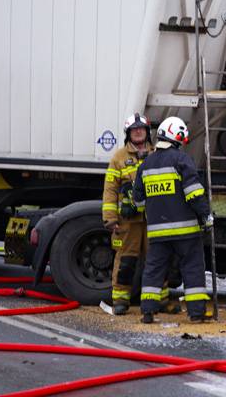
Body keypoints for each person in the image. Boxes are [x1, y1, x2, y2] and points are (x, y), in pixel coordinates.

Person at [134, 116, 213, 324]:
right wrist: (206, 215)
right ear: (177, 138)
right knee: (192, 268)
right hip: (185, 232)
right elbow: (194, 194)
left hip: (157, 233)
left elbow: (139, 202)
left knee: (154, 270)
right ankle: (196, 313)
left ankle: (148, 312)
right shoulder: (181, 160)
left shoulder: (145, 165)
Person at [101, 113, 153, 315]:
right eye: (134, 129)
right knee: (126, 260)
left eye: (142, 128)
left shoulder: (156, 153)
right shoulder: (119, 157)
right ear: (129, 133)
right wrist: (110, 218)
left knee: (156, 260)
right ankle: (121, 301)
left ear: (147, 132)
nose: (138, 132)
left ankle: (159, 300)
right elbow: (110, 189)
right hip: (128, 220)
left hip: (153, 219)